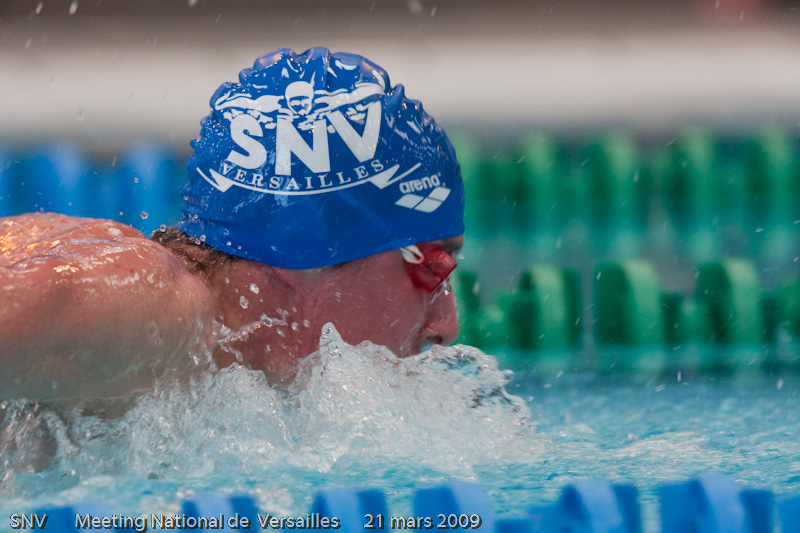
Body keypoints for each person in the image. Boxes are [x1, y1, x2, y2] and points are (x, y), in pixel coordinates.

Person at [0, 47, 465, 401]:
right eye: (433, 267)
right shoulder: (150, 309)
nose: (447, 325)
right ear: (301, 245)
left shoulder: (221, 364)